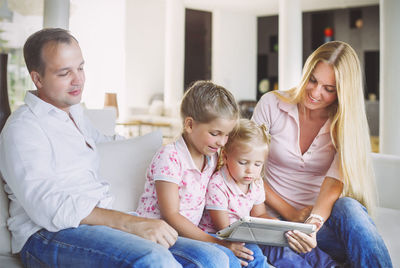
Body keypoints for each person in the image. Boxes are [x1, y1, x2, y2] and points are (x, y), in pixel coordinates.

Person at [0, 28, 224, 268]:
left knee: (213, 257)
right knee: (153, 259)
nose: (78, 80)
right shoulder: (23, 129)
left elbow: (107, 141)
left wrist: (181, 150)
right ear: (37, 78)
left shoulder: (74, 114)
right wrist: (130, 222)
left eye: (81, 68)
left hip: (96, 226)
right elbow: (48, 207)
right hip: (46, 235)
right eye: (65, 73)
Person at [252, 41, 393, 267]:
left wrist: (312, 225)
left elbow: (333, 183)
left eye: (329, 89)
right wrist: (291, 214)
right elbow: (247, 170)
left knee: (349, 206)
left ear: (342, 92)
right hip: (274, 219)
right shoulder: (272, 104)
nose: (315, 93)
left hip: (317, 226)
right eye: (313, 80)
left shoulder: (344, 124)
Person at [136, 80, 262, 267]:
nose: (222, 142)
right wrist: (219, 243)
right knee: (223, 258)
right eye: (215, 133)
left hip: (191, 234)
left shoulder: (211, 156)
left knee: (252, 254)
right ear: (189, 125)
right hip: (162, 237)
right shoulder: (170, 157)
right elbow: (171, 215)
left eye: (226, 135)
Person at [199, 119, 338, 268]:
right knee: (256, 256)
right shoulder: (218, 185)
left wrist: (273, 223)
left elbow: (259, 214)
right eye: (243, 162)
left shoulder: (256, 182)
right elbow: (224, 230)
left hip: (247, 232)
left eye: (257, 164)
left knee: (289, 238)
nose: (250, 170)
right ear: (225, 157)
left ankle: (328, 265)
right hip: (223, 237)